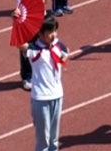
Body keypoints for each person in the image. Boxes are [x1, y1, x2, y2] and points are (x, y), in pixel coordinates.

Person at [27, 16, 71, 151]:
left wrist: (65, 56)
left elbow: (66, 50)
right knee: (43, 141)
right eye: (50, 32)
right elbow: (19, 44)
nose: (54, 35)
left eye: (55, 31)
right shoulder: (34, 50)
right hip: (41, 99)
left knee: (53, 139)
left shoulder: (57, 44)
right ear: (41, 33)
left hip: (57, 95)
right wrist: (17, 21)